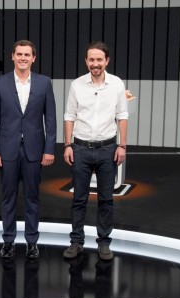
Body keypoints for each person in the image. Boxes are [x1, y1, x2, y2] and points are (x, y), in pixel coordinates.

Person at [0, 40, 56, 259]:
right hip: (7, 150)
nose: (23, 58)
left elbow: (51, 119)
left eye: (27, 54)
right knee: (8, 197)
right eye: (19, 54)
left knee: (32, 198)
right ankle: (8, 241)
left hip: (35, 150)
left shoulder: (44, 83)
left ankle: (32, 242)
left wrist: (50, 149)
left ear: (33, 58)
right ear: (12, 56)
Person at [62, 41, 128, 261]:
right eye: (91, 59)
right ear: (86, 61)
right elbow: (69, 116)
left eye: (99, 59)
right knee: (79, 199)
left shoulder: (117, 84)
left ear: (106, 61)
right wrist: (68, 145)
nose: (95, 63)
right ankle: (76, 242)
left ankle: (104, 243)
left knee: (106, 199)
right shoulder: (77, 85)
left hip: (108, 148)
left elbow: (122, 116)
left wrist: (122, 145)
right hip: (80, 148)